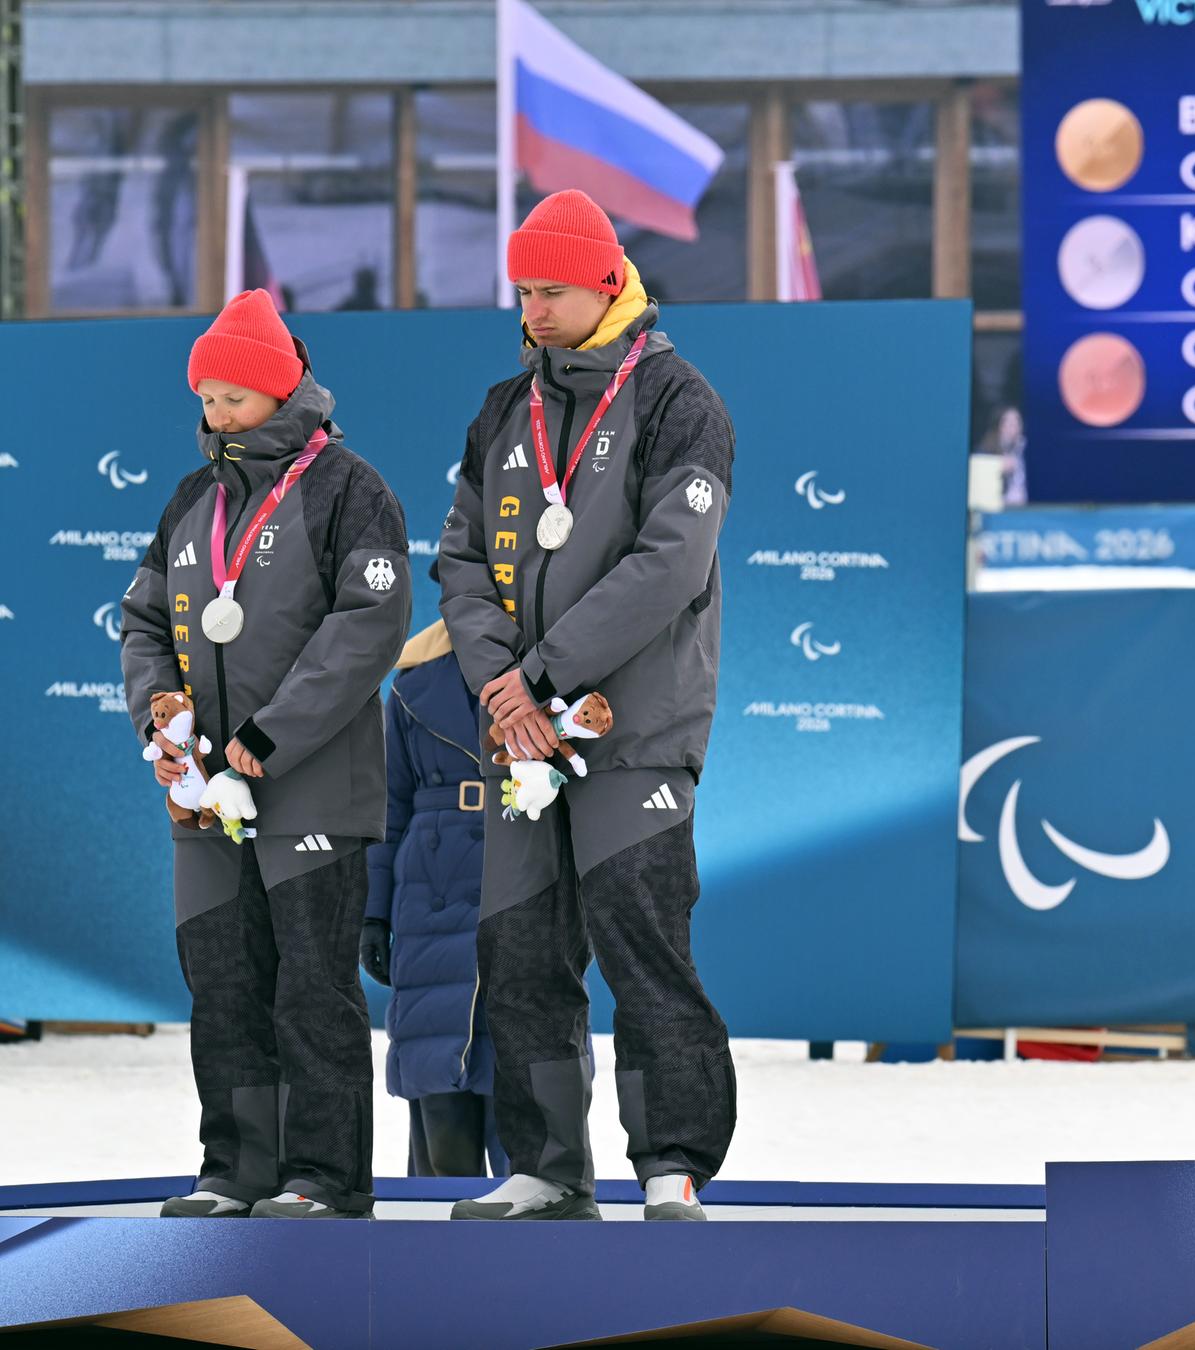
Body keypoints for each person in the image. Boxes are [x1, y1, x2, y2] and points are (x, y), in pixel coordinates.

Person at [436, 189, 737, 1220]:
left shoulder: (677, 401)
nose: (532, 310)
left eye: (550, 291)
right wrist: (498, 684)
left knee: (643, 945)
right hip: (521, 738)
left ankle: (673, 1165)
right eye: (522, 291)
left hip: (634, 737)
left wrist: (546, 673)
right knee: (519, 951)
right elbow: (462, 561)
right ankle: (546, 1167)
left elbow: (670, 564)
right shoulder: (499, 410)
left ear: (608, 284)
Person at [119, 288, 411, 1217]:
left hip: (313, 790)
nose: (215, 414)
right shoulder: (192, 499)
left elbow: (369, 627)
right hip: (206, 795)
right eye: (206, 397)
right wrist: (162, 717)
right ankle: (234, 1167)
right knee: (224, 982)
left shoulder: (350, 490)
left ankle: (323, 1176)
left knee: (313, 988)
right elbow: (141, 622)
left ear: (280, 392)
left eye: (233, 397)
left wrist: (266, 736)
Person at [364, 615, 508, 1177]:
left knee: (531, 1071)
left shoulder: (563, 669)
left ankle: (545, 1242)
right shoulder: (411, 684)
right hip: (431, 889)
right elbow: (387, 806)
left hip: (522, 862)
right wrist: (372, 913)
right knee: (437, 1063)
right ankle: (435, 1240)